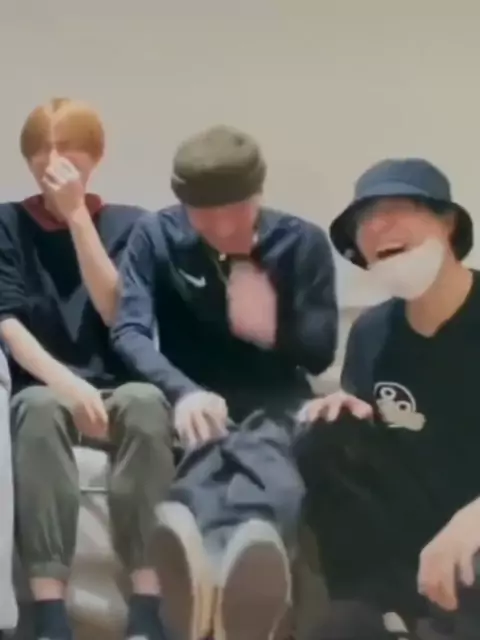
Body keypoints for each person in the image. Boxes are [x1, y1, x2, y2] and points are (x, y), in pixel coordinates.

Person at [111, 125, 338, 640]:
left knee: (266, 456)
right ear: (183, 206)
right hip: (193, 398)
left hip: (276, 398)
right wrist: (183, 391)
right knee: (206, 453)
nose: (221, 226)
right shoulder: (156, 236)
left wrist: (271, 328)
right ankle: (226, 585)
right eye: (204, 215)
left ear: (259, 193)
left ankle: (216, 583)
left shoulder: (300, 242)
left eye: (236, 210)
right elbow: (129, 330)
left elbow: (320, 354)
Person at [0, 98, 172, 640]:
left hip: (119, 386)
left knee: (147, 403)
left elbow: (121, 314)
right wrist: (67, 384)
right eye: (40, 149)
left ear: (95, 156)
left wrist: (77, 216)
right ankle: (50, 613)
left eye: (67, 147)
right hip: (44, 385)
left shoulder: (132, 225)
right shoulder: (6, 223)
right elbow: (5, 321)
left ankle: (149, 606)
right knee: (35, 408)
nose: (52, 159)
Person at [298, 158, 480, 638]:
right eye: (365, 220)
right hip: (404, 546)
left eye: (397, 209)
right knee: (322, 433)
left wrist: (474, 519)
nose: (377, 227)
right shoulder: (372, 331)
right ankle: (375, 606)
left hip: (473, 537)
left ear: (447, 222)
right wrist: (340, 411)